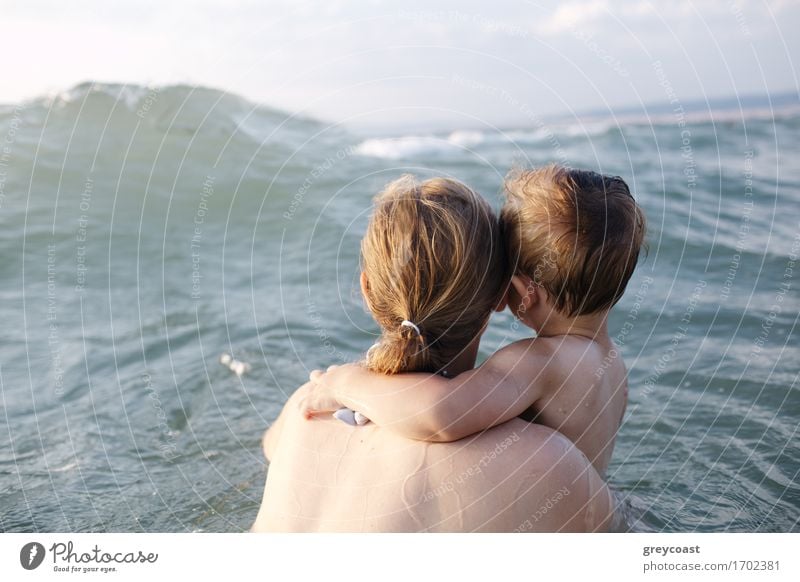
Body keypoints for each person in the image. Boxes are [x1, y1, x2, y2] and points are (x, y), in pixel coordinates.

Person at [252, 174, 614, 532]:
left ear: (367, 289)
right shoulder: (544, 466)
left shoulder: (304, 411)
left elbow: (267, 453)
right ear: (500, 298)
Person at [302, 165, 647, 477]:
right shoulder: (612, 367)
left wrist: (345, 384)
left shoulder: (542, 361)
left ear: (525, 293)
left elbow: (441, 413)